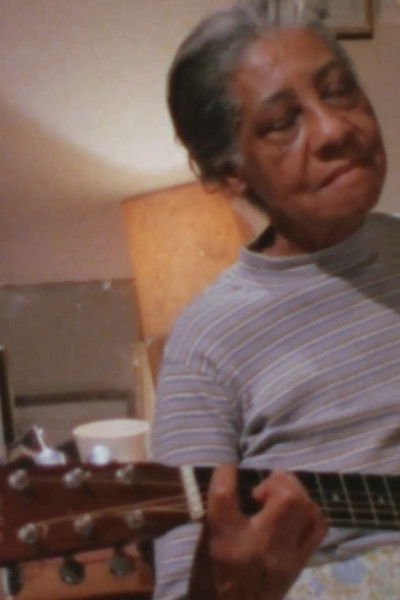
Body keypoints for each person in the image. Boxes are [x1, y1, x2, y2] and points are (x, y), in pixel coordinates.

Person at [152, 0, 400, 598]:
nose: (335, 129)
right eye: (283, 122)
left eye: (339, 91)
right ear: (229, 171)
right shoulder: (207, 346)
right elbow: (181, 586)